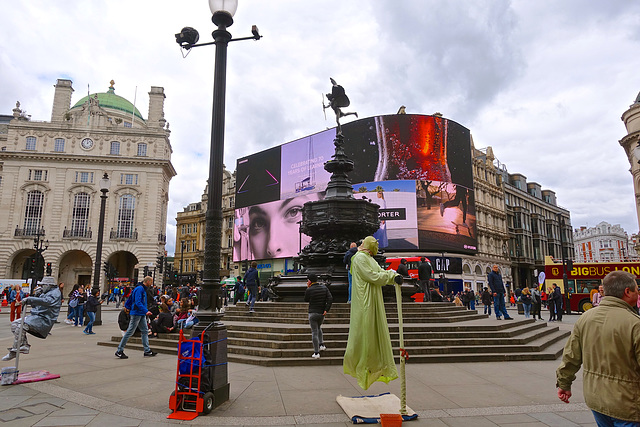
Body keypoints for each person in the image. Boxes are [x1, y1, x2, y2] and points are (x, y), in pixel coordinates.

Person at [556, 270, 640, 425]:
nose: (638, 293)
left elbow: (570, 356)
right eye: (637, 289)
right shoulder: (634, 323)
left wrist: (564, 383)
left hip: (596, 398)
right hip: (628, 403)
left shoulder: (586, 318)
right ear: (627, 292)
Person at [343, 236, 401, 390]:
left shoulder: (369, 258)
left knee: (373, 334)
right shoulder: (360, 258)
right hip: (365, 301)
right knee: (365, 333)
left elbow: (379, 272)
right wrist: (391, 276)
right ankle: (361, 364)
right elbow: (372, 276)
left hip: (373, 300)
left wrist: (391, 275)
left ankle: (375, 366)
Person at [2, 278, 64, 361]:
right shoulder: (45, 292)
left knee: (22, 326)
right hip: (36, 316)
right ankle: (23, 345)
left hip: (44, 318)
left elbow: (47, 301)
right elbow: (37, 305)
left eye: (43, 285)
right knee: (14, 325)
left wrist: (30, 299)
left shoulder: (55, 292)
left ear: (48, 285)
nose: (41, 287)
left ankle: (14, 351)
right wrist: (36, 295)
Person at [115, 276, 157, 359]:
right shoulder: (140, 289)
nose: (152, 284)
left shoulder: (142, 289)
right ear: (147, 281)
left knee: (145, 331)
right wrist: (146, 311)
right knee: (130, 331)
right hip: (137, 313)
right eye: (151, 282)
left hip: (140, 313)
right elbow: (137, 302)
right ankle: (119, 350)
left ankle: (147, 350)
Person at [304, 273, 333, 359]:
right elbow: (330, 298)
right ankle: (321, 344)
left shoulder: (309, 289)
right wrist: (326, 309)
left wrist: (308, 288)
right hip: (321, 313)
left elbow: (306, 300)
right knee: (319, 327)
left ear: (309, 281)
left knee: (314, 332)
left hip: (312, 313)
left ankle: (316, 352)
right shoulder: (324, 288)